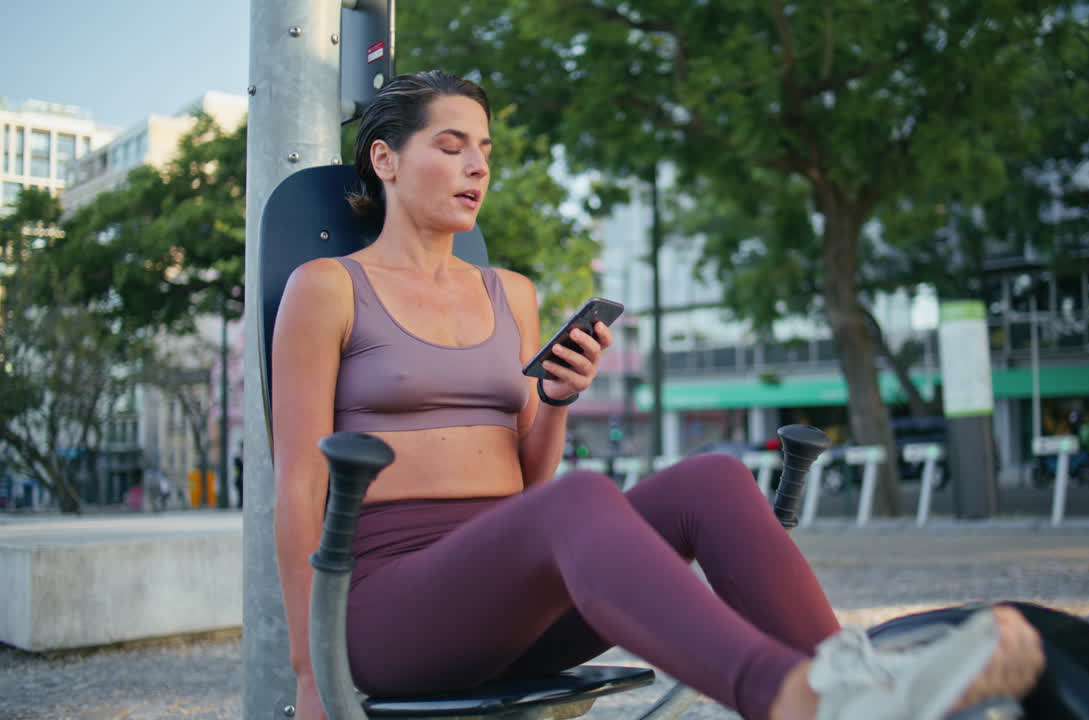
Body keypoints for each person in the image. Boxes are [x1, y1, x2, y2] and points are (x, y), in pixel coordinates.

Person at [271, 71, 1045, 720]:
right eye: (451, 146)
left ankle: (851, 687)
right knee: (581, 499)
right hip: (389, 606)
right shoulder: (329, 288)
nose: (478, 167)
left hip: (506, 598)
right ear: (386, 158)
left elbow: (529, 493)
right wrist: (313, 677)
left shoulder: (511, 293)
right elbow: (299, 485)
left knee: (710, 480)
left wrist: (559, 401)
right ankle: (790, 697)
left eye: (486, 150)